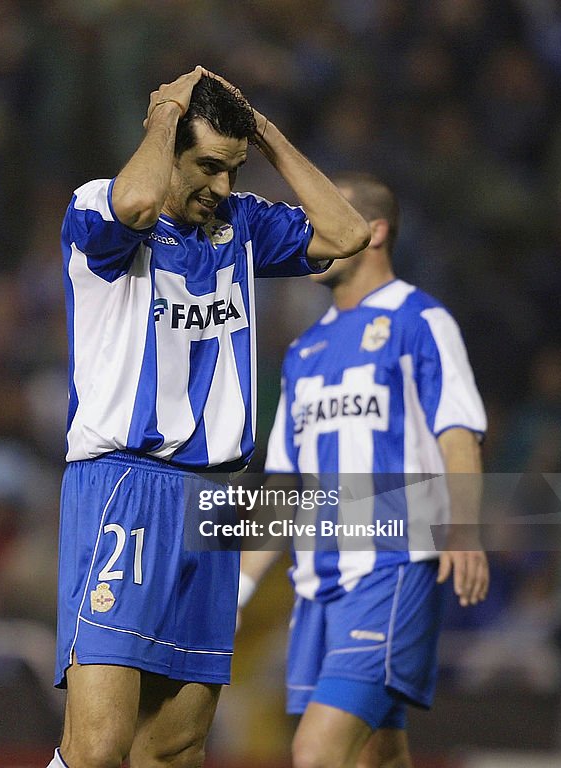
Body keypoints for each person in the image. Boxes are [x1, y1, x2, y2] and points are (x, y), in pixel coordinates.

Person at [52, 67, 370, 768]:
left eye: (233, 170)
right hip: (126, 488)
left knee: (175, 747)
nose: (220, 188)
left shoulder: (243, 225)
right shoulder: (100, 214)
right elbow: (136, 200)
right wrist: (164, 116)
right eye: (206, 168)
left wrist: (265, 133)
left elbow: (346, 233)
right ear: (164, 144)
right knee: (97, 749)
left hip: (218, 500)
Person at [239, 172, 489, 768]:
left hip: (391, 564)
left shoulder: (419, 320)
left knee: (317, 752)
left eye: (323, 221)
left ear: (373, 232)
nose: (309, 238)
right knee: (378, 750)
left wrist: (462, 531)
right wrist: (241, 588)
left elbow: (459, 432)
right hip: (317, 581)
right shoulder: (303, 352)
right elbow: (284, 486)